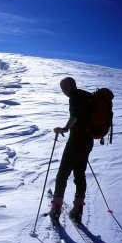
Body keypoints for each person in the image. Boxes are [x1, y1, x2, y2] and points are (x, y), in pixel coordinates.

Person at [49, 77, 93, 225]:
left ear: (73, 85)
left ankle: (55, 210)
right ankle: (78, 210)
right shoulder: (87, 96)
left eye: (65, 87)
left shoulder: (75, 97)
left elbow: (75, 115)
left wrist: (66, 128)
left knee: (62, 174)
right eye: (62, 88)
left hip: (76, 142)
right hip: (88, 142)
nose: (64, 90)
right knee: (80, 175)